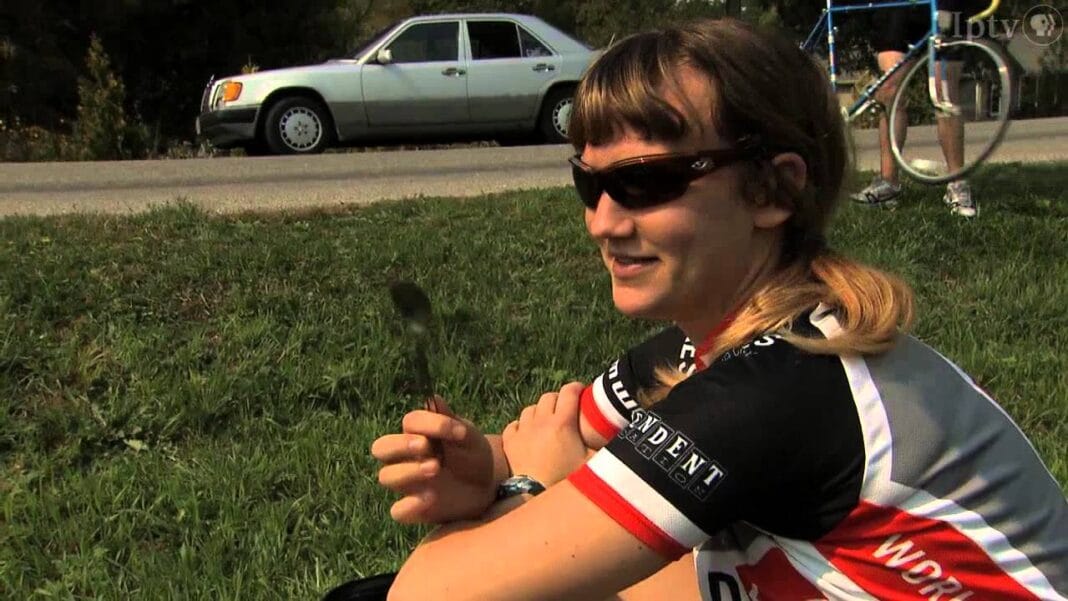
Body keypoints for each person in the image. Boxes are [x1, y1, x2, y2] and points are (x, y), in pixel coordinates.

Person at [370, 18, 1068, 601]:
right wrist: (484, 473)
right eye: (589, 184)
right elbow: (546, 437)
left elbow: (427, 591)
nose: (603, 223)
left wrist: (534, 488)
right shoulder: (728, 344)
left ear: (772, 191)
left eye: (646, 181)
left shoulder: (778, 390)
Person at [850, 0, 989, 217]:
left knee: (944, 91)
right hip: (898, 6)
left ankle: (957, 183)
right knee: (890, 89)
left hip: (944, 4)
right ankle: (888, 183)